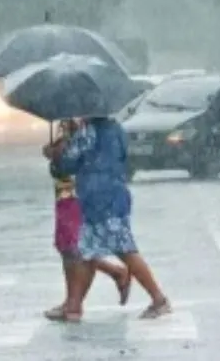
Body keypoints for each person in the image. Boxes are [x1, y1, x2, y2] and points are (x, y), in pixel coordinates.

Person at [47, 115, 170, 322]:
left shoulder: (88, 132)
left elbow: (68, 165)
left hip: (99, 199)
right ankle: (74, 307)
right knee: (86, 252)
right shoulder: (116, 129)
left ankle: (158, 298)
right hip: (112, 194)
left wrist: (56, 155)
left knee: (125, 250)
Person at [43, 119, 131, 321]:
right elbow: (61, 165)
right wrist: (54, 152)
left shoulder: (88, 130)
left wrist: (59, 154)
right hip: (64, 193)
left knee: (78, 248)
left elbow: (76, 162)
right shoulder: (71, 127)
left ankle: (74, 304)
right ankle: (110, 276)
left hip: (81, 195)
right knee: (67, 247)